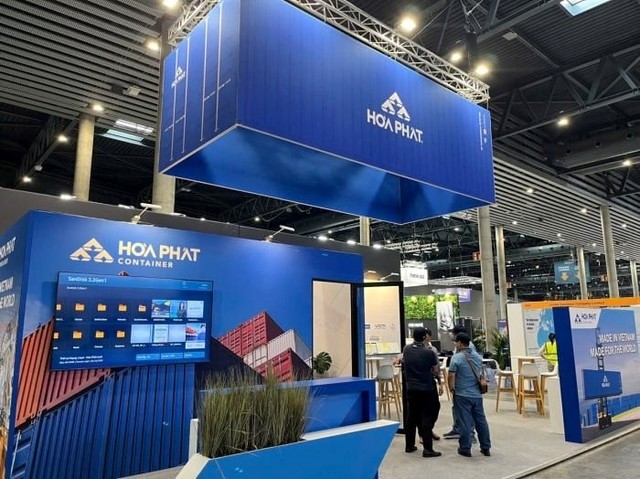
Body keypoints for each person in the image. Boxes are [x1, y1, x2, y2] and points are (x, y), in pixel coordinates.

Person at [447, 332, 491, 458]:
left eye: (456, 342)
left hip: (462, 394)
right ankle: (486, 447)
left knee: (465, 421)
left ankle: (465, 448)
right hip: (477, 395)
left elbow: (451, 375)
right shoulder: (477, 356)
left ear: (460, 343)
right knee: (480, 421)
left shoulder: (457, 358)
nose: (456, 344)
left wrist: (451, 388)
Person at [402, 327, 444, 458]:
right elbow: (435, 370)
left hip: (411, 387)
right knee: (426, 417)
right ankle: (428, 449)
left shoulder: (406, 349)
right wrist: (437, 379)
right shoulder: (429, 352)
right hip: (426, 388)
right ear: (425, 337)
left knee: (411, 417)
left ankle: (409, 445)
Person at [443, 325, 476, 440]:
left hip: (466, 384)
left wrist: (451, 385)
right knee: (456, 408)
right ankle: (457, 429)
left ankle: (470, 434)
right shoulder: (459, 346)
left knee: (467, 410)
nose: (452, 336)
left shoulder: (469, 347)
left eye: (453, 333)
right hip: (459, 383)